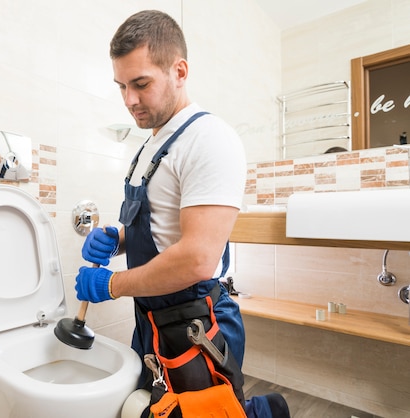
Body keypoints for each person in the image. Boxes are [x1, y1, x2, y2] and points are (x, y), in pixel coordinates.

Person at [74, 10, 289, 418]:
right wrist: (118, 239)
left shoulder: (209, 139)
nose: (129, 100)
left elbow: (197, 258)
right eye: (121, 86)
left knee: (209, 412)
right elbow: (160, 227)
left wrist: (113, 284)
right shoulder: (149, 145)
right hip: (152, 317)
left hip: (195, 320)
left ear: (179, 70)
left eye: (140, 84)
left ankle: (267, 411)